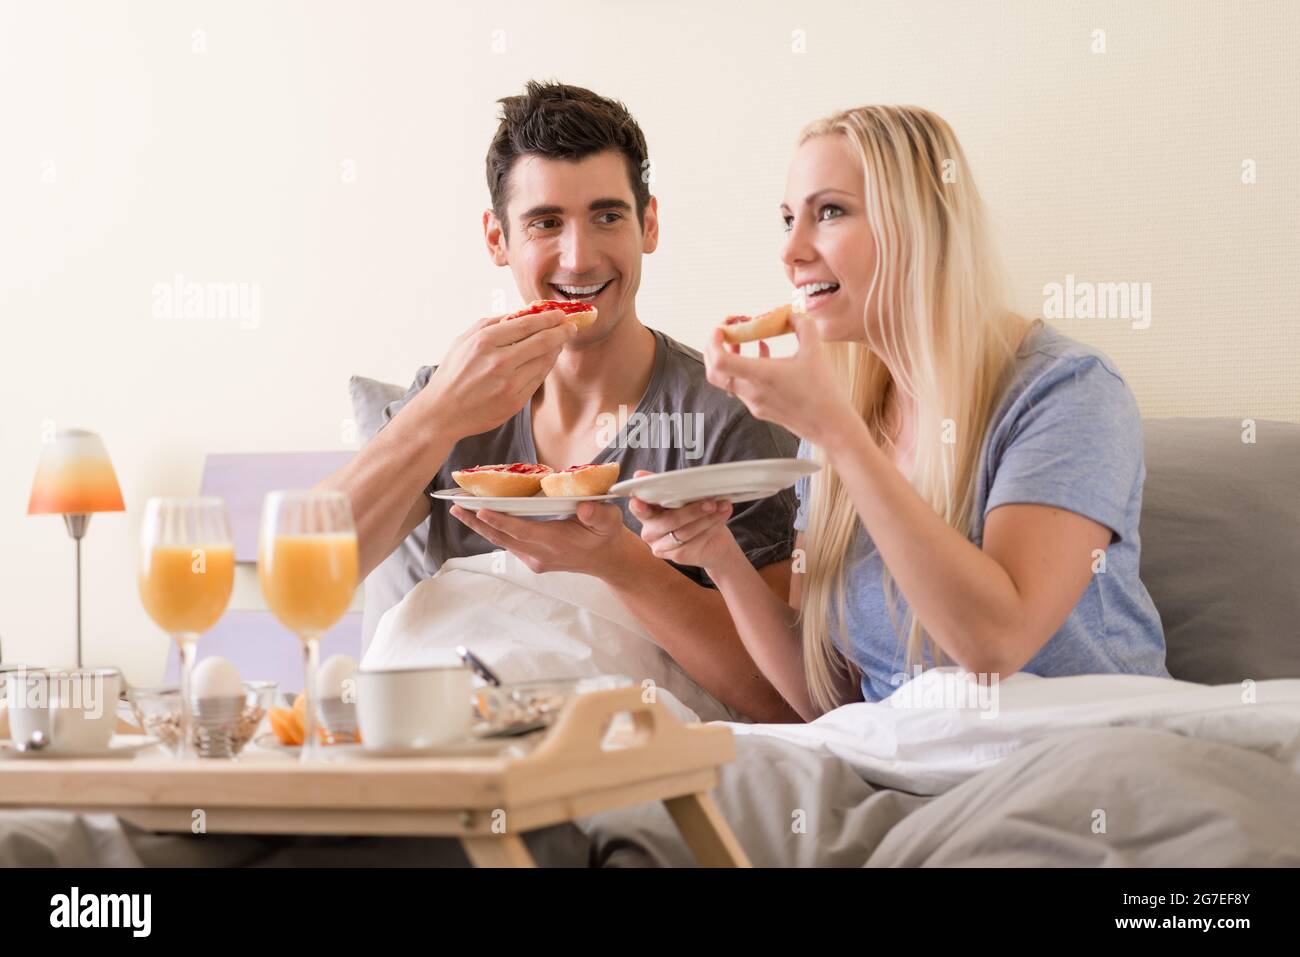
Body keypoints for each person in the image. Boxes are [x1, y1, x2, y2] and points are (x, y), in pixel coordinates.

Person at [631, 105, 1171, 720]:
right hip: (914, 766)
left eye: (828, 211)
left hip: (1082, 751)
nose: (791, 251)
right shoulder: (844, 413)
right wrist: (719, 557)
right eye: (787, 219)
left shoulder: (1066, 391)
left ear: (920, 225)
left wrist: (836, 433)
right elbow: (831, 700)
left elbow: (996, 646)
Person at [321, 81, 802, 722]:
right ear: (497, 239)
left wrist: (620, 565)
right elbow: (315, 574)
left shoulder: (728, 416)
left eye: (607, 216)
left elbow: (783, 705)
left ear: (648, 224)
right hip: (446, 740)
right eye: (545, 223)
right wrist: (434, 414)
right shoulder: (450, 399)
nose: (579, 257)